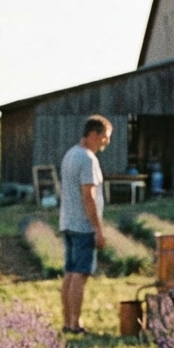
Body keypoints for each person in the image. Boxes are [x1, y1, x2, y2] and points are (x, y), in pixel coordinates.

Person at [59, 115, 112, 334]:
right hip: (82, 226)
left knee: (70, 274)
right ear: (93, 134)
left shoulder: (71, 154)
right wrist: (98, 229)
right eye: (105, 137)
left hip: (68, 222)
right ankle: (75, 323)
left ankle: (67, 321)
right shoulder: (87, 159)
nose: (106, 142)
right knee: (80, 276)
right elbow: (88, 195)